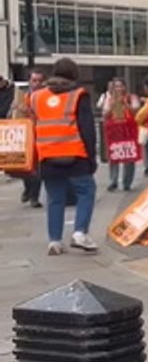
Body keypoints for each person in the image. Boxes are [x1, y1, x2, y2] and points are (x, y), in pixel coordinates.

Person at [33, 58, 98, 255]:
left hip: (47, 155)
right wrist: (91, 157)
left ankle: (54, 241)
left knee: (55, 198)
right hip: (74, 154)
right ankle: (79, 233)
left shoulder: (36, 97)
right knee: (86, 191)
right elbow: (86, 128)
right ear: (74, 75)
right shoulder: (79, 95)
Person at [99, 78, 141, 192]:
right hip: (115, 132)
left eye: (120, 86)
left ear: (125, 87)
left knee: (129, 155)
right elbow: (105, 115)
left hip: (128, 131)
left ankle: (127, 182)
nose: (118, 89)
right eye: (115, 86)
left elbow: (136, 112)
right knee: (114, 155)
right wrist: (112, 105)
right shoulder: (109, 99)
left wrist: (126, 104)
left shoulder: (132, 97)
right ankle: (113, 181)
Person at [14, 69, 46, 207]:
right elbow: (15, 115)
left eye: (40, 81)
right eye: (34, 80)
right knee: (25, 168)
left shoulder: (46, 98)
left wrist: (29, 112)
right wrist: (15, 109)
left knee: (37, 170)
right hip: (26, 138)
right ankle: (28, 189)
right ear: (29, 82)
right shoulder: (24, 97)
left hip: (41, 137)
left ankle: (34, 197)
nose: (37, 83)